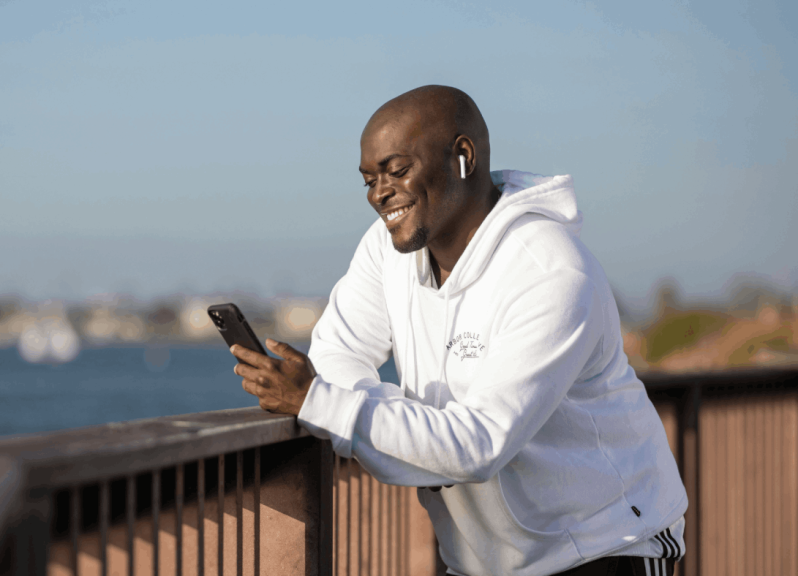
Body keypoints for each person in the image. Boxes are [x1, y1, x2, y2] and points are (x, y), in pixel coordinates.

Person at [231, 85, 687, 576]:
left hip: (605, 548)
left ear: (462, 156)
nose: (379, 193)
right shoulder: (387, 250)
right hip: (478, 563)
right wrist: (410, 441)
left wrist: (329, 408)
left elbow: (477, 446)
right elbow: (336, 354)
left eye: (397, 170)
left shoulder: (550, 272)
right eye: (368, 179)